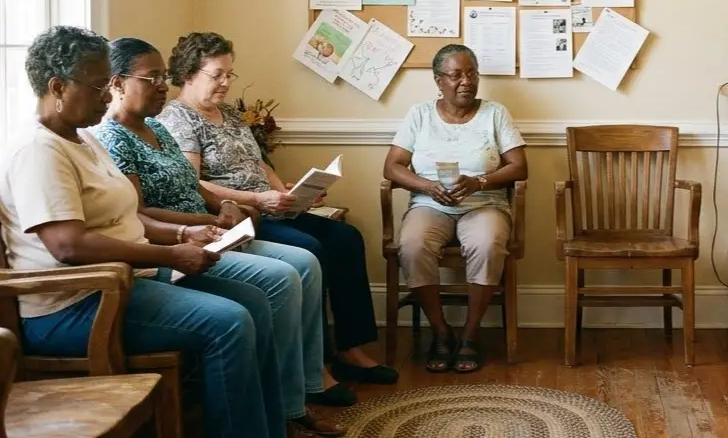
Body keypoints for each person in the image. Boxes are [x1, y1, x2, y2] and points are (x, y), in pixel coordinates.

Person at [0, 26, 343, 438]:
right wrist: (172, 254)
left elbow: (128, 216)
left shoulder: (82, 139)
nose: (107, 96)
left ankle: (275, 425)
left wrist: (183, 236)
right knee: (232, 321)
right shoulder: (38, 151)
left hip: (127, 278)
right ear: (57, 86)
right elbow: (68, 246)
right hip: (77, 302)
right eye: (97, 87)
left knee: (253, 301)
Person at [93, 37, 354, 409]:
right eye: (151, 79)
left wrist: (229, 204)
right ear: (116, 84)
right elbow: (141, 212)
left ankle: (304, 385)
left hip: (215, 226)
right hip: (180, 240)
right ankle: (285, 400)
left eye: (162, 77)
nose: (161, 86)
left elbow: (193, 183)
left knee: (310, 261)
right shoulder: (113, 138)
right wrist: (209, 219)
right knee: (291, 268)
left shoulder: (156, 128)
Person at [156, 32, 396, 385]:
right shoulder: (178, 119)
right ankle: (314, 364)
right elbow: (195, 184)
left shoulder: (229, 115)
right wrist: (257, 200)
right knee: (310, 248)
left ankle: (351, 348)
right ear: (189, 74)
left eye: (229, 74)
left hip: (270, 206)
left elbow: (259, 164)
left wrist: (288, 191)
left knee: (346, 237)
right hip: (238, 217)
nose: (225, 82)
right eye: (217, 74)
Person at [383, 44, 528, 373]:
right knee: (413, 244)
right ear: (438, 80)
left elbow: (519, 167)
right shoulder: (419, 114)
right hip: (429, 204)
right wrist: (427, 186)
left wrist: (479, 182)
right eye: (455, 74)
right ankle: (441, 332)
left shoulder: (495, 113)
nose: (466, 81)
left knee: (488, 243)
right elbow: (392, 167)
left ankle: (469, 335)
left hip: (484, 203)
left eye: (472, 73)